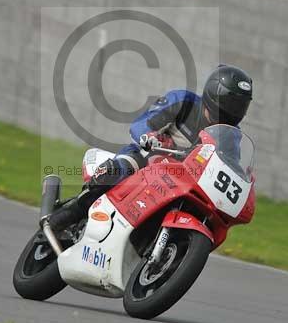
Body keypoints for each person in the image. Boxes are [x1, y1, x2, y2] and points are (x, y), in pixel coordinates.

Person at [44, 65, 253, 232]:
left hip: (181, 184)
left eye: (239, 105)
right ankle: (66, 216)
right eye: (231, 102)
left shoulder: (230, 139)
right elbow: (141, 124)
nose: (233, 109)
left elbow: (228, 169)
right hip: (148, 159)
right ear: (213, 93)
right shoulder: (185, 102)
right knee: (118, 171)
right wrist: (151, 137)